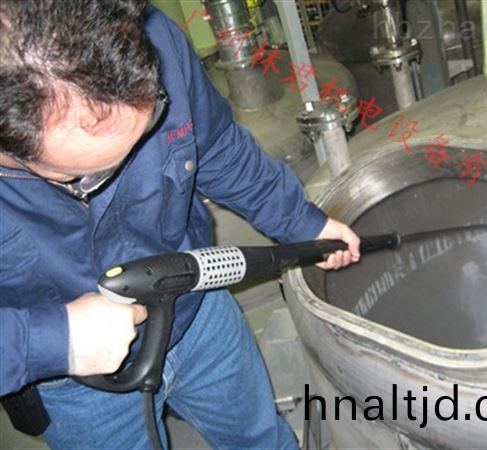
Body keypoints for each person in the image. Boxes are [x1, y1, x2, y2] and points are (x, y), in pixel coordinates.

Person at [0, 1, 360, 448]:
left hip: (195, 308)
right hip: (76, 382)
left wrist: (300, 221)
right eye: (86, 175)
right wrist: (54, 341)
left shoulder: (150, 32)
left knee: (262, 439)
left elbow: (215, 146)